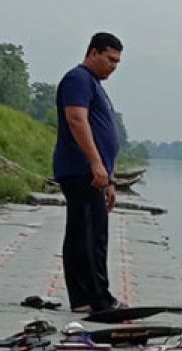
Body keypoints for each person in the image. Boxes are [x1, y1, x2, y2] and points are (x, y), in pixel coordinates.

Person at [53, 32, 124, 314]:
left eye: (118, 62)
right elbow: (76, 118)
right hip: (81, 170)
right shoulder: (78, 79)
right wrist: (95, 163)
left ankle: (83, 298)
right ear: (93, 52)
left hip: (94, 174)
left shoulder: (93, 84)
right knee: (90, 236)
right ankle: (99, 301)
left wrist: (110, 179)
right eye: (110, 59)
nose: (113, 67)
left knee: (84, 232)